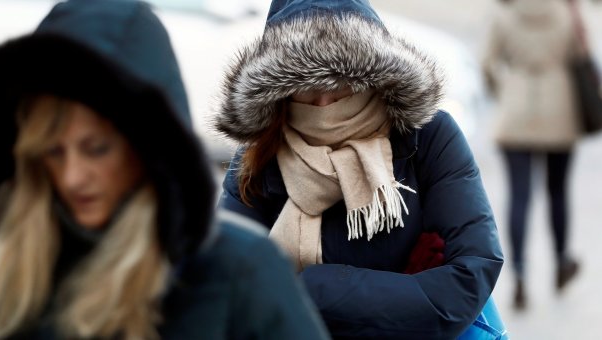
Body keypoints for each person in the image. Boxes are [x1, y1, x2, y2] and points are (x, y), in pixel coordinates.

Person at [0, 0, 330, 338]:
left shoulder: (237, 269)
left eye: (96, 149)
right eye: (53, 152)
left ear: (148, 146)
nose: (72, 176)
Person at [215, 0, 506, 338]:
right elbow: (225, 285)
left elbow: (470, 276)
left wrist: (311, 287)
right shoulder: (259, 155)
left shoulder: (427, 135)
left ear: (373, 77)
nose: (324, 103)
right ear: (279, 90)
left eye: (340, 82)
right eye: (305, 85)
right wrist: (400, 293)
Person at [482, 0, 584, 310]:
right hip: (560, 108)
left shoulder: (505, 12)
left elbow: (487, 63)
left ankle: (520, 276)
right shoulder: (566, 11)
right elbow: (579, 57)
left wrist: (506, 91)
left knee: (519, 196)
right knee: (558, 191)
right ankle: (561, 260)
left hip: (515, 112)